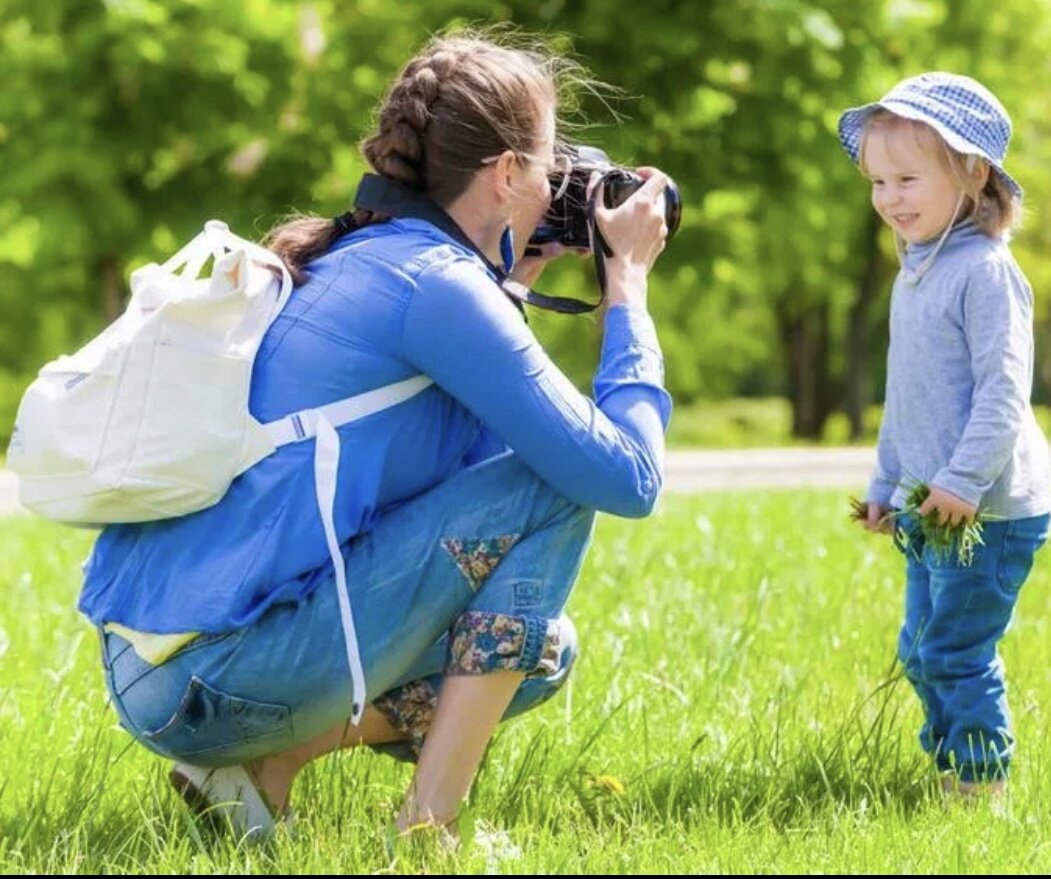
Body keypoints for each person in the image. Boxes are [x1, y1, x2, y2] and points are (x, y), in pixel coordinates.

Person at [80, 30, 673, 842]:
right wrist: (629, 291)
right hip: (214, 674)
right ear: (505, 175)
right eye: (544, 165)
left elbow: (465, 492)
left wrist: (517, 278)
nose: (555, 183)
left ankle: (267, 766)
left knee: (542, 650)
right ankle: (429, 834)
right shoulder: (437, 287)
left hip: (156, 670)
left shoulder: (372, 256)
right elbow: (624, 476)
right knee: (557, 482)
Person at [837, 72, 1051, 796]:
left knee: (955, 650)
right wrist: (884, 487)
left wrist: (963, 481)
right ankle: (944, 767)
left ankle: (979, 782)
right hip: (933, 505)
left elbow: (1002, 391)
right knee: (920, 647)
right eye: (877, 181)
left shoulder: (986, 272)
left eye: (907, 178)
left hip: (989, 510)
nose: (889, 197)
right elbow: (909, 401)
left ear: (972, 173)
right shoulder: (916, 273)